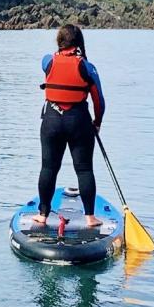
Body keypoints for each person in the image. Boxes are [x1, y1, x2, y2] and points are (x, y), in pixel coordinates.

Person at [31, 24, 107, 229]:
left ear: (59, 41)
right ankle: (90, 217)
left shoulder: (49, 61)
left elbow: (46, 59)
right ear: (79, 42)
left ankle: (43, 215)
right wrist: (97, 123)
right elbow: (99, 100)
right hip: (79, 121)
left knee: (48, 167)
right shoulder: (87, 66)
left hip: (52, 121)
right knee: (84, 170)